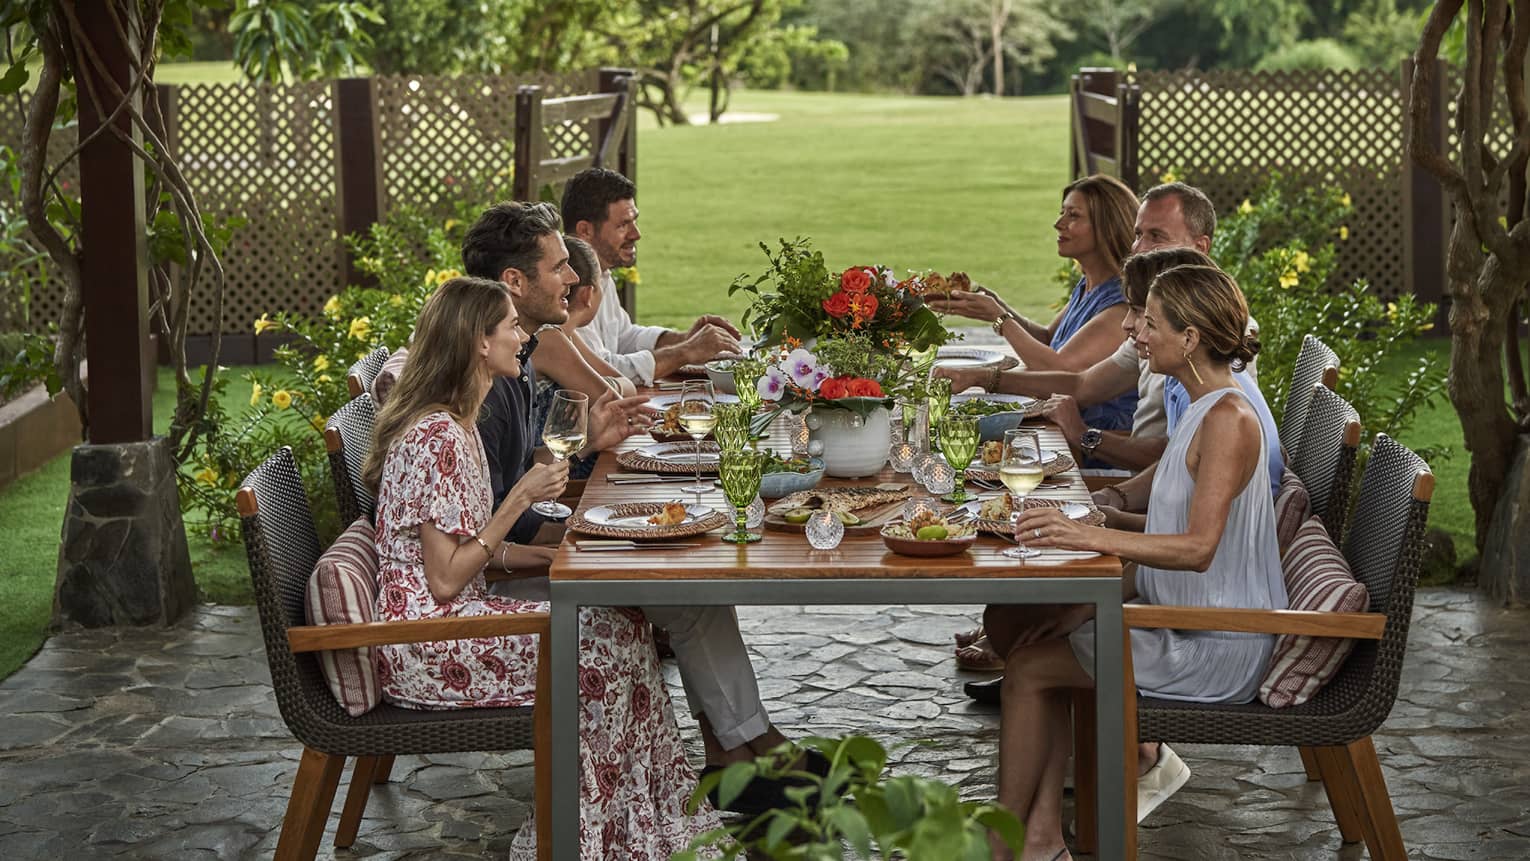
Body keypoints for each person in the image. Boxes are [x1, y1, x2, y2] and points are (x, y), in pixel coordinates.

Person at [462, 201, 826, 814]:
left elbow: (525, 477)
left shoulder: (515, 360)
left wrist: (586, 452)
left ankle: (744, 750)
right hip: (505, 584)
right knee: (685, 586)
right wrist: (573, 537)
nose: (576, 279)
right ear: (514, 283)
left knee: (692, 587)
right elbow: (484, 526)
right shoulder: (482, 382)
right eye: (558, 269)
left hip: (537, 545)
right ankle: (745, 751)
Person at [362, 275, 718, 858]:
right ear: (479, 343)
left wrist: (558, 555)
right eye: (510, 327)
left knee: (622, 624)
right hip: (425, 646)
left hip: (456, 620)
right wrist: (519, 500)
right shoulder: (436, 436)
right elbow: (446, 578)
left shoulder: (456, 422)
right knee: (604, 649)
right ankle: (578, 840)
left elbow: (479, 551)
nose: (522, 336)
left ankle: (643, 825)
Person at [983, 264, 1288, 860]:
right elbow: (1173, 529)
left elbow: (1198, 549)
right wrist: (1098, 523)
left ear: (1190, 338)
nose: (1135, 332)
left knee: (1028, 671)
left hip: (1216, 644)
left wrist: (1083, 536)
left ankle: (1004, 841)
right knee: (1034, 645)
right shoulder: (1205, 406)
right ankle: (1040, 837)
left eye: (1148, 322)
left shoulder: (1228, 419)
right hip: (1175, 620)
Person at [937, 182, 1219, 473]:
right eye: (1138, 235)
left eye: (1156, 236)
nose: (1138, 248)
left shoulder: (1202, 337)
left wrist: (999, 321)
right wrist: (983, 369)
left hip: (1107, 462)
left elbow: (1063, 369)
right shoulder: (1119, 301)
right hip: (1119, 471)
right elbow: (1077, 380)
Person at [928, 173, 1140, 433]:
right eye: (1062, 213)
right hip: (1054, 424)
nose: (1058, 223)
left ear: (1106, 226)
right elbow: (1048, 339)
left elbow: (1057, 369)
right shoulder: (1089, 285)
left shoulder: (1121, 306)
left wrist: (1001, 320)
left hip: (1092, 441)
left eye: (1073, 215)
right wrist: (997, 307)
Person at [560, 168, 742, 385]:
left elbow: (623, 336)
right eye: (623, 225)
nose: (636, 234)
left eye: (634, 221)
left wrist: (682, 339)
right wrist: (686, 351)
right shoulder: (569, 289)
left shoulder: (601, 272)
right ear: (585, 230)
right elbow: (603, 373)